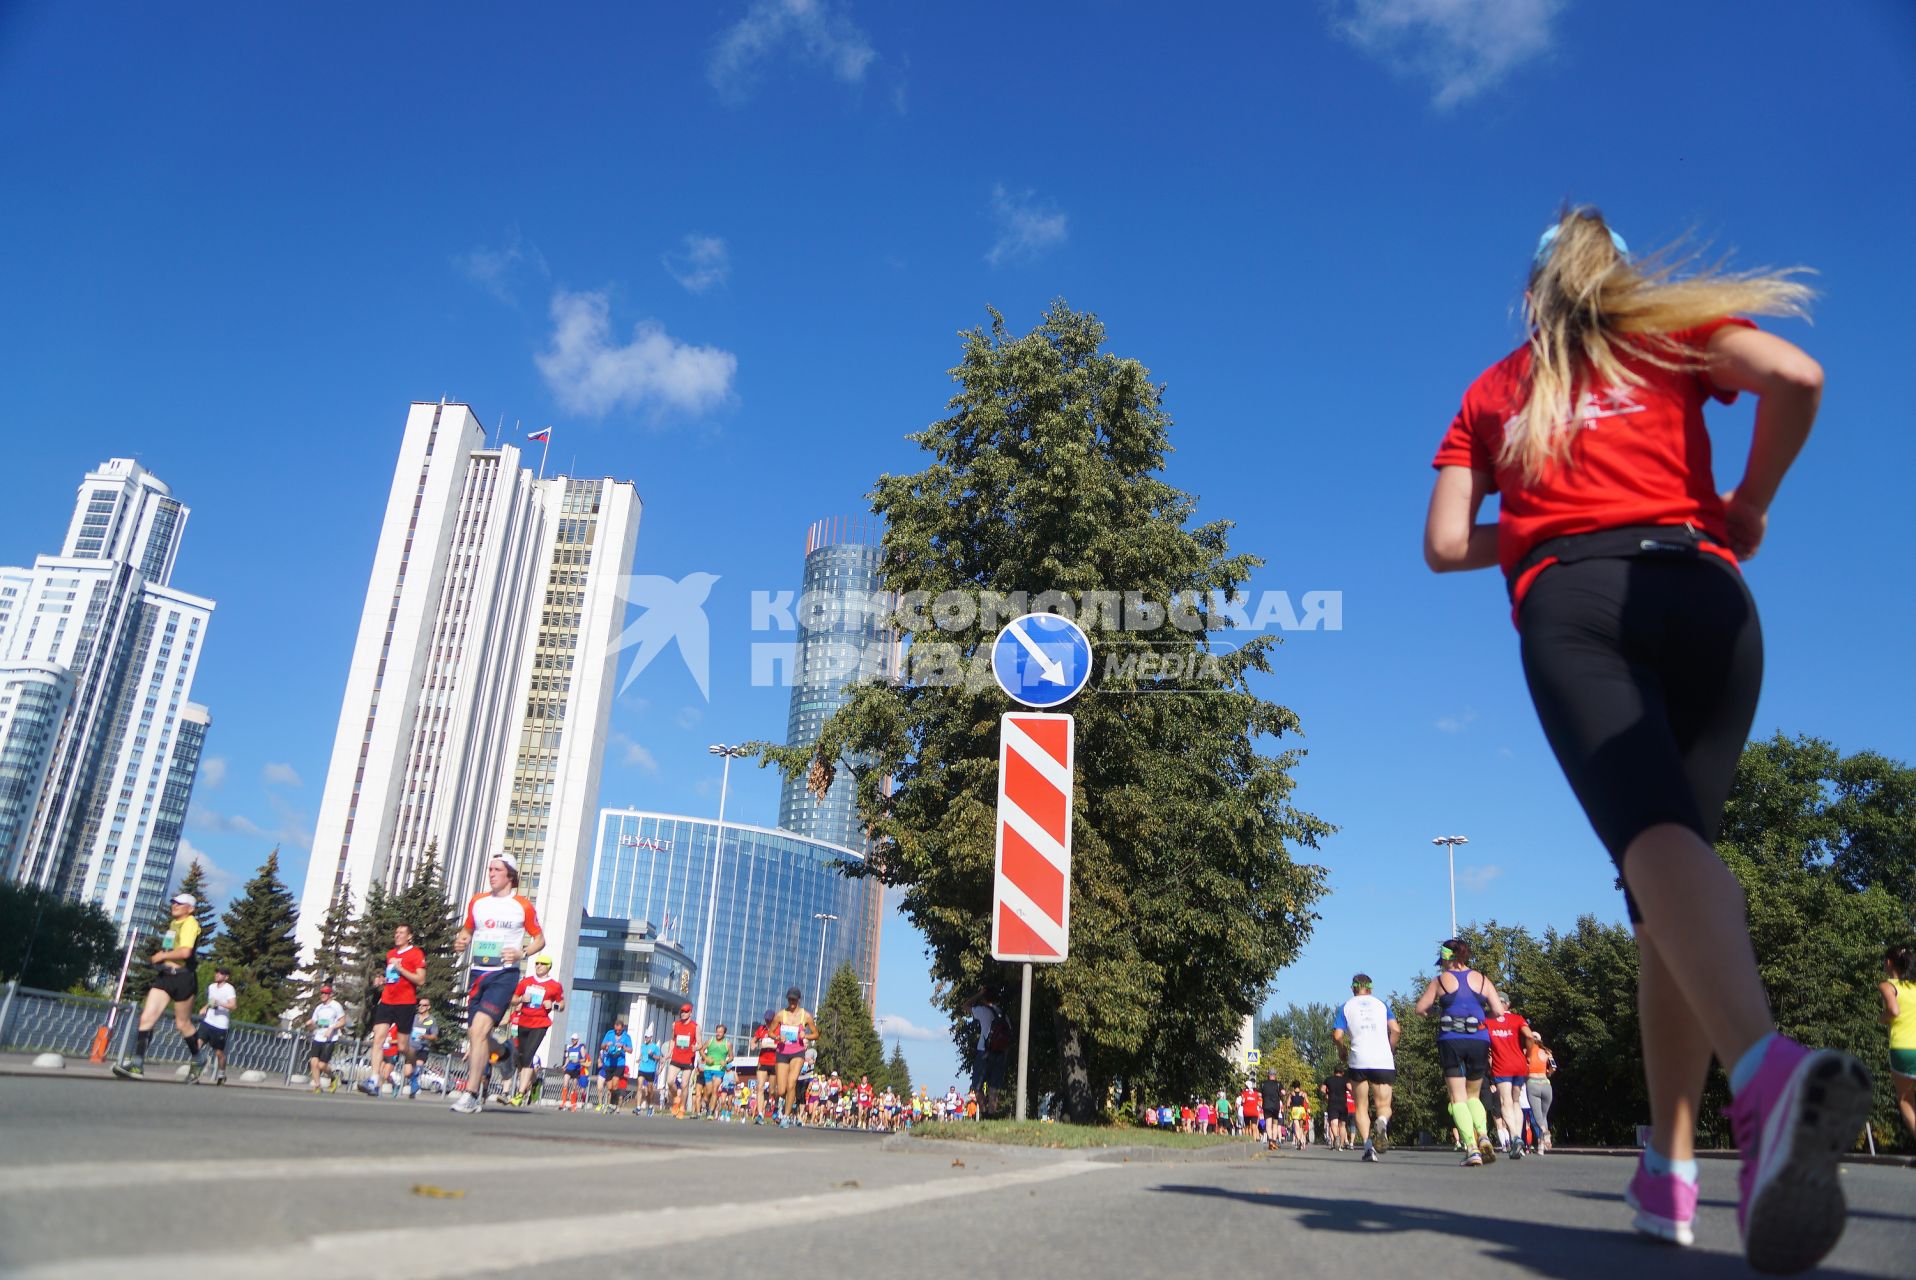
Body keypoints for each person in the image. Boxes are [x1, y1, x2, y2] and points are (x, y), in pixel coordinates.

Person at [1425, 207, 1870, 1266]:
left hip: (1578, 601)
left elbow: (1445, 542)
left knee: (1650, 839)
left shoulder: (1494, 389)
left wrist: (1531, 524)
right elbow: (1796, 379)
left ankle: (1765, 1076)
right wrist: (1746, 503)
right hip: (1709, 596)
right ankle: (1666, 1172)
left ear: (1530, 296)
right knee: (1663, 880)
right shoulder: (1668, 330)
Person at [449, 854, 544, 1115]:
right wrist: (461, 941)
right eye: (489, 868)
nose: (491, 873)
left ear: (509, 875)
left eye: (497, 870)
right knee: (476, 1035)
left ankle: (470, 1094)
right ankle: (503, 1053)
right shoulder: (477, 902)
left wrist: (522, 953)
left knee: (478, 1031)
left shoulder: (521, 905)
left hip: (504, 975)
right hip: (478, 974)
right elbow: (467, 931)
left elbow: (540, 939)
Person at [1415, 939, 1506, 1166]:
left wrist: (1437, 1012)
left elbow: (1420, 1009)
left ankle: (1472, 1149)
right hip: (1479, 1040)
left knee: (1457, 1097)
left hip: (1451, 1040)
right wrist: (1480, 1017)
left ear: (1448, 958)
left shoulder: (1440, 981)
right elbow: (1497, 1010)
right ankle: (1484, 1136)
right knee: (1473, 1095)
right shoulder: (1483, 980)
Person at [111, 894, 206, 1080]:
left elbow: (186, 952)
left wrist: (162, 956)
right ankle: (137, 1065)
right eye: (173, 902)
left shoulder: (190, 923)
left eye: (180, 903)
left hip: (183, 978)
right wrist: (162, 957)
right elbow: (169, 947)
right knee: (146, 1017)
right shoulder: (173, 924)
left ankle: (198, 1057)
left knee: (182, 1023)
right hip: (165, 977)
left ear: (190, 909)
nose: (175, 905)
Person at [1334, 973, 1400, 1162]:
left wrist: (1342, 1050)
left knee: (1361, 1106)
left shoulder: (1345, 1006)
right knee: (1384, 1106)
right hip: (1383, 1060)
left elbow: (1337, 1035)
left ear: (1353, 988)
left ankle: (1368, 1147)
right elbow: (1396, 1029)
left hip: (1358, 1060)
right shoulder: (1381, 1005)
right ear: (1370, 988)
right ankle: (1381, 1122)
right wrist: (1391, 1048)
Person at [361, 923, 425, 1098]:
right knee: (378, 1039)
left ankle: (415, 1068)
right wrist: (382, 980)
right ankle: (374, 1080)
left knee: (403, 1046)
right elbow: (392, 979)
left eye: (401, 933)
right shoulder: (391, 954)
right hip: (387, 1001)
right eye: (396, 932)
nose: (397, 935)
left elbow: (420, 980)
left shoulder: (416, 954)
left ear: (409, 936)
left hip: (406, 1003)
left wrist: (401, 969)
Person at [508, 954, 564, 1104]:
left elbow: (562, 1005)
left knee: (528, 1057)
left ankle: (519, 1095)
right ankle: (536, 1082)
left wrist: (552, 1006)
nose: (538, 965)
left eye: (542, 963)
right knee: (520, 1058)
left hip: (540, 1024)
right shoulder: (526, 982)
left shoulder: (555, 986)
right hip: (523, 1022)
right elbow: (513, 999)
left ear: (548, 967)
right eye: (537, 963)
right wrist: (520, 999)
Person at [1880, 943, 1916, 1156]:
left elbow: (1893, 1010)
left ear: (1888, 962)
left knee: (1905, 1100)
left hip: (1903, 1049)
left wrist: (1882, 1017)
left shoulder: (1888, 986)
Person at [1484, 1003, 1534, 1158]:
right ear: (1507, 1004)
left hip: (1502, 1066)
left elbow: (1481, 1042)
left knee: (1505, 1102)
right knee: (1516, 1102)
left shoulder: (1487, 1021)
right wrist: (1529, 1056)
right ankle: (1518, 1140)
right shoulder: (1517, 1018)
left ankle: (1514, 1137)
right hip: (1519, 1065)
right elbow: (1529, 1036)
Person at [770, 987, 817, 1126]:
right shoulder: (780, 1015)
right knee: (782, 1089)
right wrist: (778, 1037)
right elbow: (771, 1032)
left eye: (794, 999)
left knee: (792, 1083)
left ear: (798, 1000)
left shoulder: (805, 1016)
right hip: (782, 1052)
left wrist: (806, 1035)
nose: (791, 1002)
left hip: (798, 1052)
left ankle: (785, 1116)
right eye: (789, 999)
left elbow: (816, 1034)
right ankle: (784, 1104)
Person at [967, 988, 1010, 1114]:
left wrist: (979, 993)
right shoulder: (1003, 1014)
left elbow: (965, 1005)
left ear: (984, 999)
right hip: (1000, 1053)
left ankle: (984, 1112)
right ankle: (992, 1114)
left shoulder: (983, 1011)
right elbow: (1008, 1037)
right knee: (993, 1087)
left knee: (977, 1085)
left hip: (983, 1052)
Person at [195, 965, 237, 1085]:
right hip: (208, 1021)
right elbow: (211, 1001)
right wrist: (205, 1007)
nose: (217, 975)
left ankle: (221, 1075)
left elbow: (233, 1006)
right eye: (217, 972)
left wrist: (219, 1003)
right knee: (196, 1046)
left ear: (226, 977)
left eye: (220, 973)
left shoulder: (229, 989)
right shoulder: (211, 987)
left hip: (220, 1025)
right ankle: (195, 1074)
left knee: (219, 1053)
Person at [305, 983, 347, 1092]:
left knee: (322, 1065)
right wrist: (310, 1024)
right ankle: (317, 1086)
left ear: (330, 995)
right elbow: (315, 1023)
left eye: (325, 993)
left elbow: (342, 1022)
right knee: (313, 1062)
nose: (323, 995)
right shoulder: (319, 1008)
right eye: (322, 993)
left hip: (330, 1039)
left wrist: (332, 1028)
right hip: (318, 1036)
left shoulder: (336, 1006)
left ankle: (333, 1077)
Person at [665, 1003, 700, 1117]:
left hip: (688, 1059)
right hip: (676, 1057)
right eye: (682, 1011)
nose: (683, 1014)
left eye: (686, 1012)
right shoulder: (675, 1024)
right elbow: (673, 1040)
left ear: (691, 1013)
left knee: (684, 1085)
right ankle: (676, 1097)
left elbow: (700, 1043)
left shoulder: (695, 1027)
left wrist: (696, 1048)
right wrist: (669, 1052)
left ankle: (682, 1107)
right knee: (670, 1081)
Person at [1525, 1032, 1557, 1154]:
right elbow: (1554, 1067)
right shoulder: (1547, 1052)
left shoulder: (1526, 1051)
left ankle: (1544, 1131)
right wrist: (1547, 1074)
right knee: (1544, 1116)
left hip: (1532, 1083)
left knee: (1537, 1115)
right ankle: (1540, 1146)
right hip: (1546, 1084)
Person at [599, 1017, 633, 1114]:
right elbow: (602, 1046)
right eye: (616, 1030)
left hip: (619, 1063)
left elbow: (630, 1050)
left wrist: (623, 1047)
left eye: (619, 1030)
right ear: (614, 1027)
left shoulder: (626, 1037)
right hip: (609, 1062)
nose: (617, 1032)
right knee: (609, 1087)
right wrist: (606, 1044)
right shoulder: (609, 1034)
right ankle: (611, 1104)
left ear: (622, 1028)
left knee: (615, 1084)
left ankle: (613, 1105)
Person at [750, 1009, 778, 1122]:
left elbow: (783, 1045)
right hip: (762, 1061)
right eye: (766, 1020)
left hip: (774, 1062)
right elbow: (753, 1041)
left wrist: (770, 1045)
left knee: (772, 1090)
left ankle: (776, 1107)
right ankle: (760, 1114)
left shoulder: (779, 1029)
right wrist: (753, 1045)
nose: (768, 1022)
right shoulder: (761, 1029)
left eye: (770, 1020)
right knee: (759, 1087)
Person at [406, 999, 437, 1098]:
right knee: (407, 1072)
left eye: (424, 1005)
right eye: (419, 1005)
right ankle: (415, 1084)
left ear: (428, 1007)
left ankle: (413, 1089)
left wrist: (425, 1037)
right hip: (411, 1048)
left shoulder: (431, 1020)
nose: (421, 1007)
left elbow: (435, 1036)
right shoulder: (414, 1017)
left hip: (423, 1048)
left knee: (417, 1069)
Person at [700, 1025, 731, 1117]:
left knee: (714, 1089)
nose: (718, 1034)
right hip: (708, 1068)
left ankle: (710, 1111)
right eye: (717, 1031)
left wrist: (726, 1061)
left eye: (721, 1032)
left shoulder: (727, 1044)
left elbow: (732, 1056)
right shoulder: (710, 1041)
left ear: (724, 1033)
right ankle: (710, 1104)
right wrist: (706, 1058)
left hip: (719, 1069)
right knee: (708, 1093)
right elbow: (701, 1050)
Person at [634, 1027, 664, 1115]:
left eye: (647, 1037)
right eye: (645, 1037)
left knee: (650, 1091)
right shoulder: (643, 1046)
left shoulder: (655, 1047)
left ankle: (650, 1106)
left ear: (651, 1037)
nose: (646, 1039)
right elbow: (642, 1054)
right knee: (639, 1087)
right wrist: (639, 1059)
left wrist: (652, 1055)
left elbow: (659, 1058)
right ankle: (638, 1107)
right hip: (642, 1069)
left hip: (651, 1070)